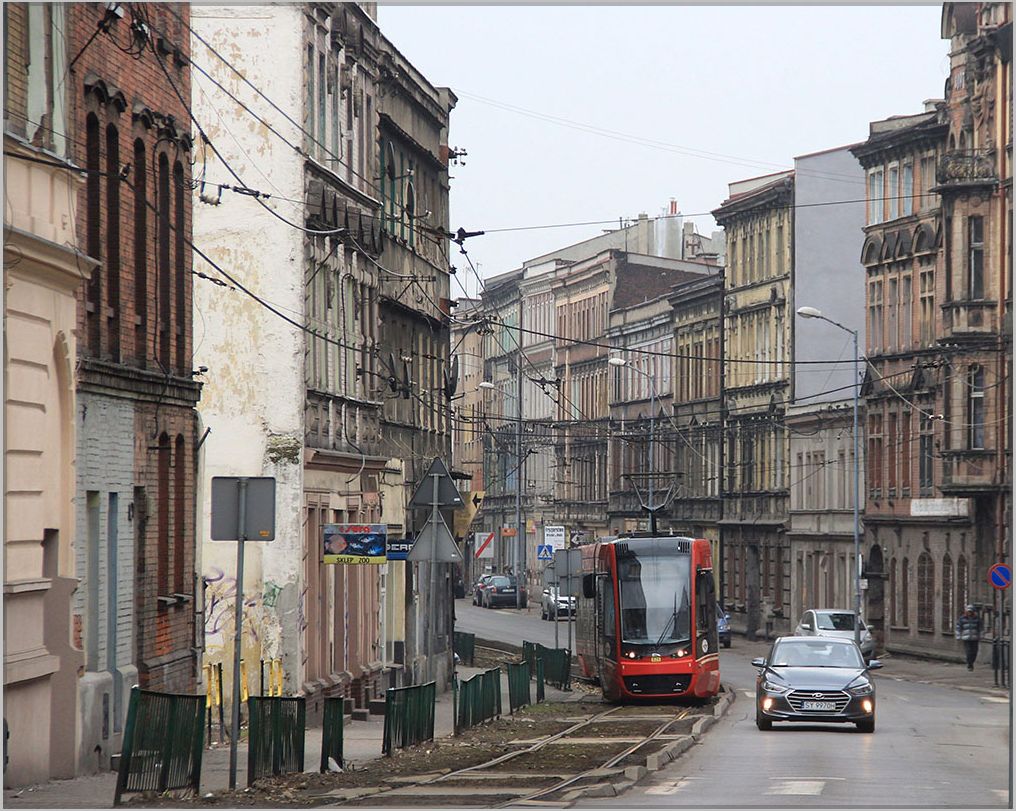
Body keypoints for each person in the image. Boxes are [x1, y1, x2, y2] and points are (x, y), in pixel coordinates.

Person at [955, 604, 982, 670]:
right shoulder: (962, 618)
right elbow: (958, 627)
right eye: (968, 611)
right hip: (966, 638)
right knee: (968, 651)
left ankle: (971, 662)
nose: (969, 613)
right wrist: (958, 635)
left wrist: (981, 635)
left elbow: (980, 628)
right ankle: (970, 664)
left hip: (975, 638)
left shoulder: (977, 619)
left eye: (970, 611)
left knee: (974, 652)